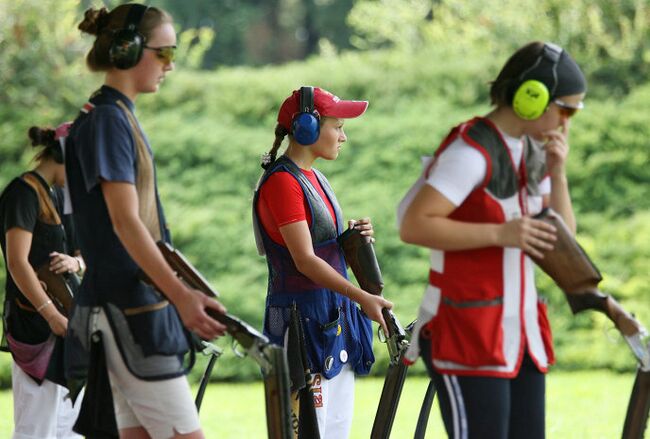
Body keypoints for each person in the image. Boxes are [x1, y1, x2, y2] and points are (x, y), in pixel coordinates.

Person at [398, 41, 587, 439]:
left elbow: (564, 241)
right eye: (566, 109)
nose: (567, 122)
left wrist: (559, 173)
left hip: (517, 334)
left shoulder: (532, 153)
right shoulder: (471, 151)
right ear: (531, 97)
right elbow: (414, 224)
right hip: (466, 331)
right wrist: (501, 234)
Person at [63, 4, 227, 438]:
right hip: (133, 316)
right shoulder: (109, 121)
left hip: (125, 312)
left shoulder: (111, 116)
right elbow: (126, 222)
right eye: (166, 53)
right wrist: (182, 296)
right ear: (128, 49)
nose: (170, 66)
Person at [252, 86, 393, 438]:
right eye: (338, 126)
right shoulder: (283, 183)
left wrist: (351, 243)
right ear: (307, 128)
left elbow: (320, 249)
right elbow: (304, 261)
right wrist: (363, 297)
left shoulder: (315, 178)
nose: (343, 136)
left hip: (328, 322)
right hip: (300, 327)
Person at [0, 123, 85, 439]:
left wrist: (75, 262)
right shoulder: (22, 193)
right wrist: (52, 315)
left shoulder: (59, 195)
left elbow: (82, 252)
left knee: (70, 425)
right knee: (37, 426)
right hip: (36, 324)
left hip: (68, 320)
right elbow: (17, 262)